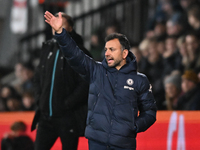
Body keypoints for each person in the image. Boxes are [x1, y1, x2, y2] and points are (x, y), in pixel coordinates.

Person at [44, 11, 157, 150]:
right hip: (97, 143)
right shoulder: (96, 71)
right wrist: (61, 33)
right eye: (106, 49)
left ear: (124, 53)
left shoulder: (140, 80)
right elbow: (74, 54)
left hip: (124, 144)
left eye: (112, 49)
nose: (107, 53)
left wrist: (134, 126)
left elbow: (150, 112)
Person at [32, 12, 91, 150]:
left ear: (70, 28)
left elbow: (86, 82)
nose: (57, 28)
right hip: (46, 117)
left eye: (61, 25)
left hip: (68, 117)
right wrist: (40, 100)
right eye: (54, 25)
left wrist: (68, 103)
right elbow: (37, 77)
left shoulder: (79, 52)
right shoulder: (48, 49)